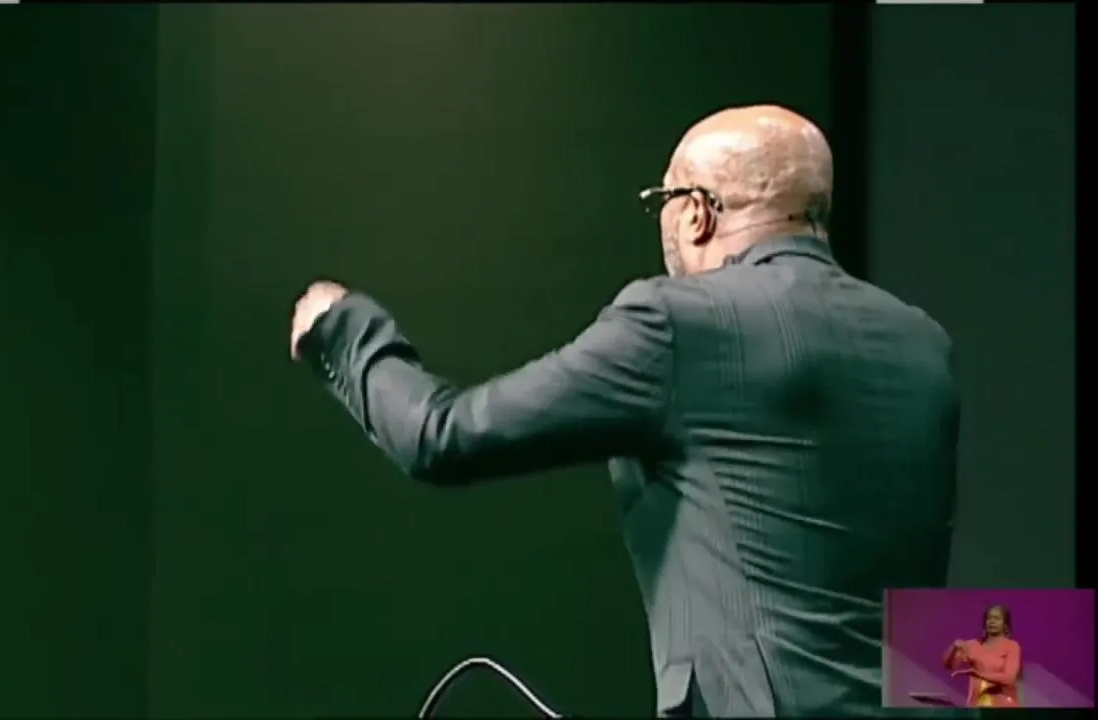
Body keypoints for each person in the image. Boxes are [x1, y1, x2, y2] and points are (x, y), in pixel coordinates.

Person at [289, 104, 961, 717]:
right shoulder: (922, 343)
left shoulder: (680, 323)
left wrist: (341, 330)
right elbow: (921, 608)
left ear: (696, 212)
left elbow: (442, 437)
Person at [943, 605, 1022, 708]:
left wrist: (978, 674)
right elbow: (948, 665)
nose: (992, 621)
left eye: (997, 618)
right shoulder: (974, 645)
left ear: (1005, 624)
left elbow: (1008, 678)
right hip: (977, 704)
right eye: (989, 618)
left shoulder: (1012, 646)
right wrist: (953, 648)